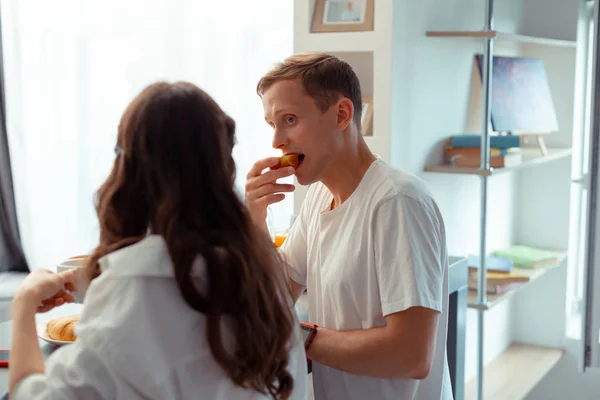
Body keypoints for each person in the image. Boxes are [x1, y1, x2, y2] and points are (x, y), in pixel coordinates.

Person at [9, 82, 307, 400]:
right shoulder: (262, 271)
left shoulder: (136, 287)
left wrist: (24, 306)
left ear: (130, 168)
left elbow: (34, 396)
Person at [245, 53, 453, 400]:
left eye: (290, 119)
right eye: (272, 125)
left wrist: (301, 336)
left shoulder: (397, 202)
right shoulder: (317, 198)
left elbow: (411, 355)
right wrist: (256, 219)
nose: (277, 140)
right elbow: (276, 296)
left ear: (342, 114)